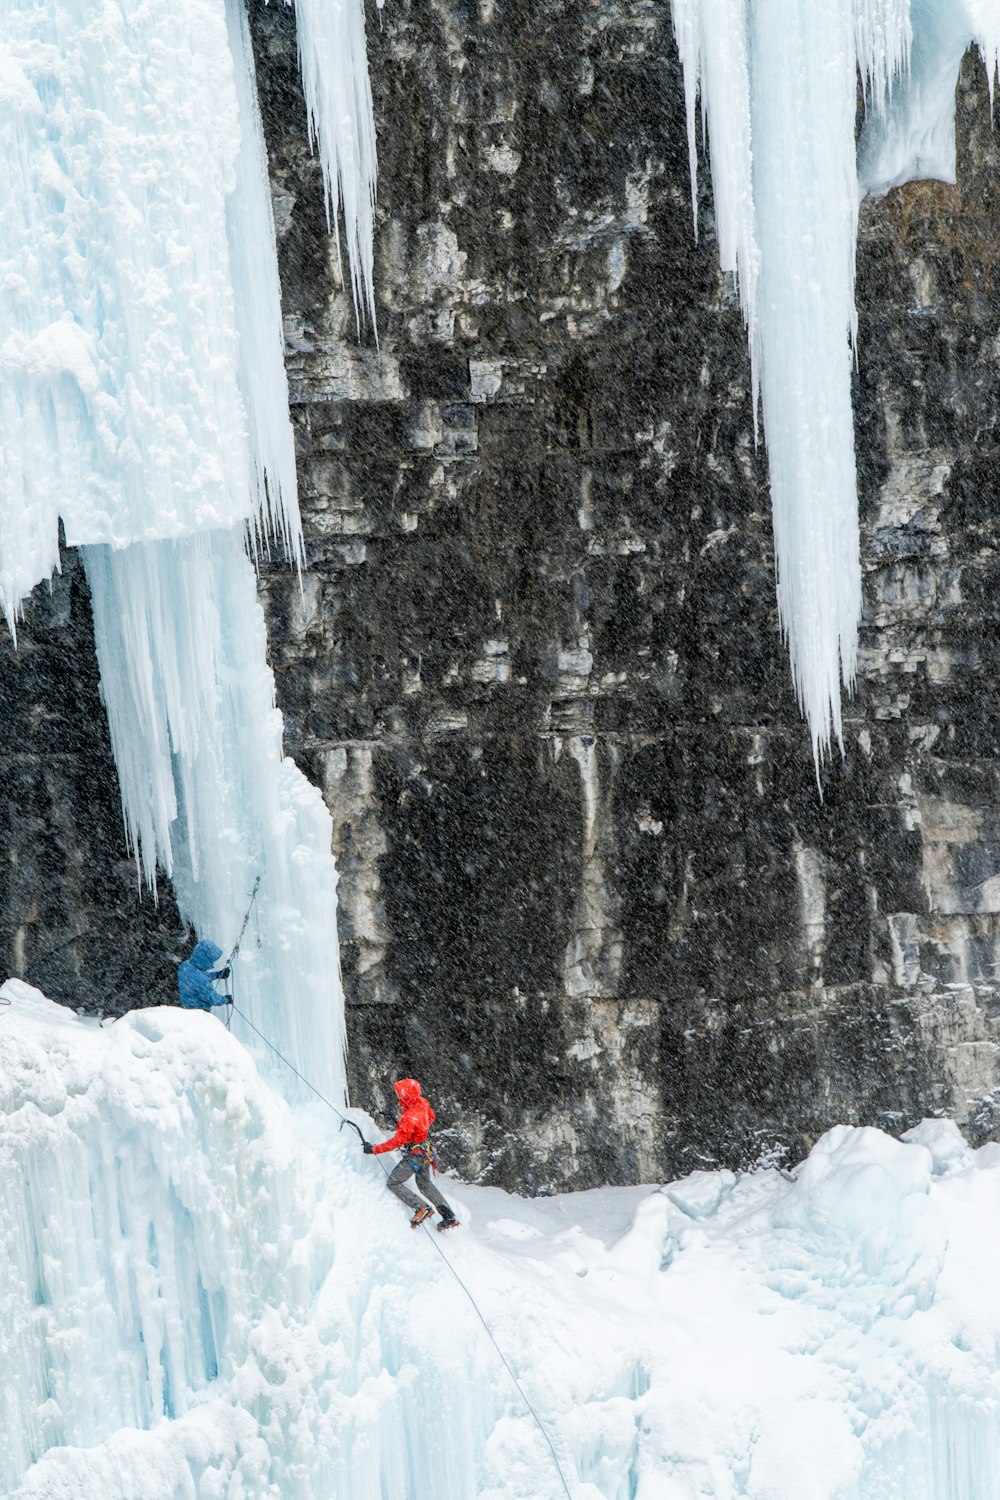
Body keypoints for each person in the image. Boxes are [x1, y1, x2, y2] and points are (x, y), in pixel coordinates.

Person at [363, 1077, 460, 1231]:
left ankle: (421, 1207)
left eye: (400, 1093)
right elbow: (431, 1117)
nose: (398, 1096)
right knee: (425, 1184)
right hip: (425, 1151)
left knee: (393, 1182)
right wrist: (418, 1130)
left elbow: (397, 1142)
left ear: (406, 1095)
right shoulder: (422, 1103)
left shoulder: (409, 1118)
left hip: (415, 1155)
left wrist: (373, 1149)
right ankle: (448, 1215)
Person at [177, 940, 231, 1011]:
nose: (212, 964)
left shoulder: (185, 965)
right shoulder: (200, 980)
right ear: (205, 959)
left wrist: (218, 975)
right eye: (211, 960)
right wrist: (226, 999)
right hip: (198, 1013)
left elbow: (200, 976)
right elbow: (212, 998)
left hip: (187, 1007)